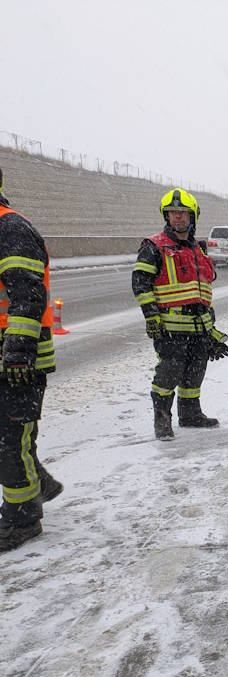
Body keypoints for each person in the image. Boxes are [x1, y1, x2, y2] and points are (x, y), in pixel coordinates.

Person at [133, 188, 228, 441]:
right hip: (170, 325)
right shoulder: (154, 246)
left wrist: (211, 331)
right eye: (173, 213)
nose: (178, 217)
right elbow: (141, 283)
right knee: (168, 372)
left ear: (192, 216)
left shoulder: (198, 250)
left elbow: (203, 292)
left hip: (198, 327)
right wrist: (152, 317)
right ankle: (162, 420)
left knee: (195, 371)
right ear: (166, 216)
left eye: (183, 213)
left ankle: (190, 415)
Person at [0, 169, 61, 551]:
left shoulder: (11, 229)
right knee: (11, 438)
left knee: (10, 439)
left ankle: (22, 520)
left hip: (16, 359)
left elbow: (27, 295)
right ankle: (39, 481)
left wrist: (18, 351)